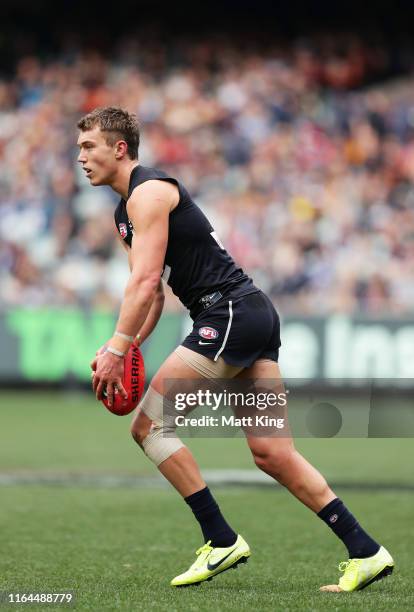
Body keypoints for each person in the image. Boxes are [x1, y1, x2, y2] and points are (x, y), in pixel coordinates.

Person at [79, 106, 394, 592]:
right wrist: (126, 345)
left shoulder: (149, 193)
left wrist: (118, 349)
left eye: (88, 147)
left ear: (119, 149)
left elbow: (143, 282)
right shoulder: (126, 211)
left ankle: (221, 539)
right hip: (249, 315)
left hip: (226, 315)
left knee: (150, 426)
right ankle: (366, 551)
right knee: (273, 453)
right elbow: (157, 295)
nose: (80, 157)